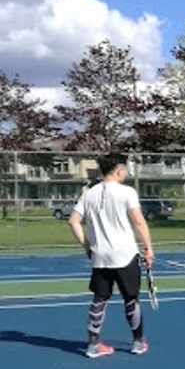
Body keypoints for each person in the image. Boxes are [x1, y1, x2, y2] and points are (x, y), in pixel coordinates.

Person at [68, 153, 155, 358]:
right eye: (125, 168)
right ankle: (138, 342)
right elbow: (139, 221)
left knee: (99, 299)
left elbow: (73, 221)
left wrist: (87, 247)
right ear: (118, 170)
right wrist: (148, 248)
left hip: (100, 257)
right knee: (131, 298)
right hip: (125, 255)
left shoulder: (89, 193)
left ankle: (93, 344)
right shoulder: (127, 192)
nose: (126, 171)